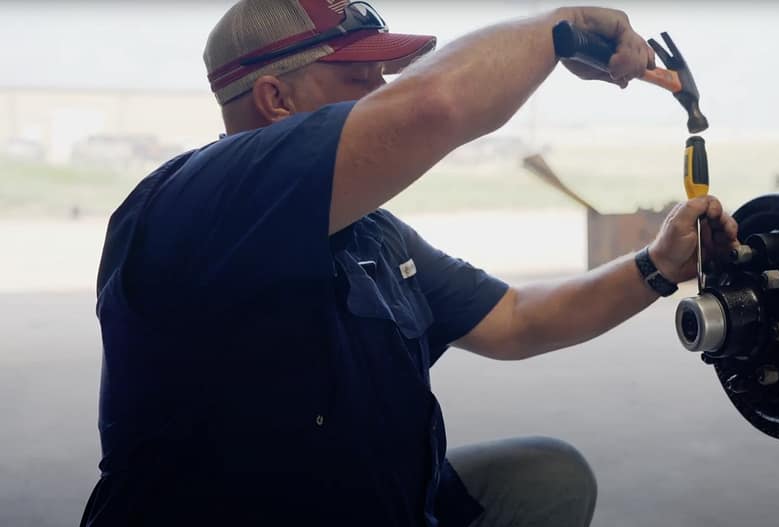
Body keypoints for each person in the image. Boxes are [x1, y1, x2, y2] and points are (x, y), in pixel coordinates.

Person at [82, 1, 739, 526]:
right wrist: (558, 29)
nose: (381, 90)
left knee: (546, 480)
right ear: (275, 100)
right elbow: (433, 106)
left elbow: (516, 319)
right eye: (355, 77)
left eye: (382, 76)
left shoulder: (371, 236)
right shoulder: (196, 204)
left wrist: (655, 265)